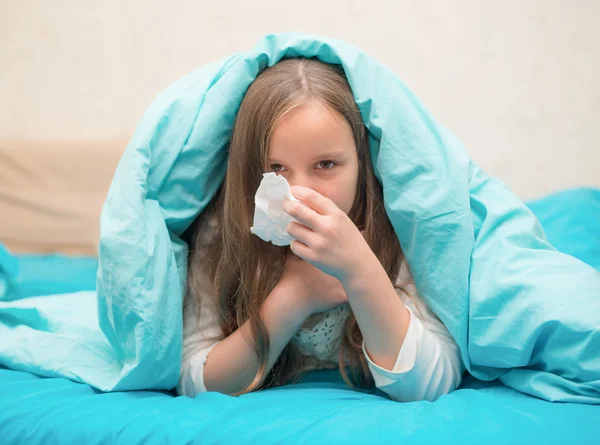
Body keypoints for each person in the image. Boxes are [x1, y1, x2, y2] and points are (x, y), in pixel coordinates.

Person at [177, 57, 465, 402]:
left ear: (362, 162)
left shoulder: (397, 229)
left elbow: (432, 383)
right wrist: (294, 296)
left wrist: (360, 270)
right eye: (276, 168)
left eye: (326, 164)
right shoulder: (222, 234)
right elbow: (196, 383)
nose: (302, 194)